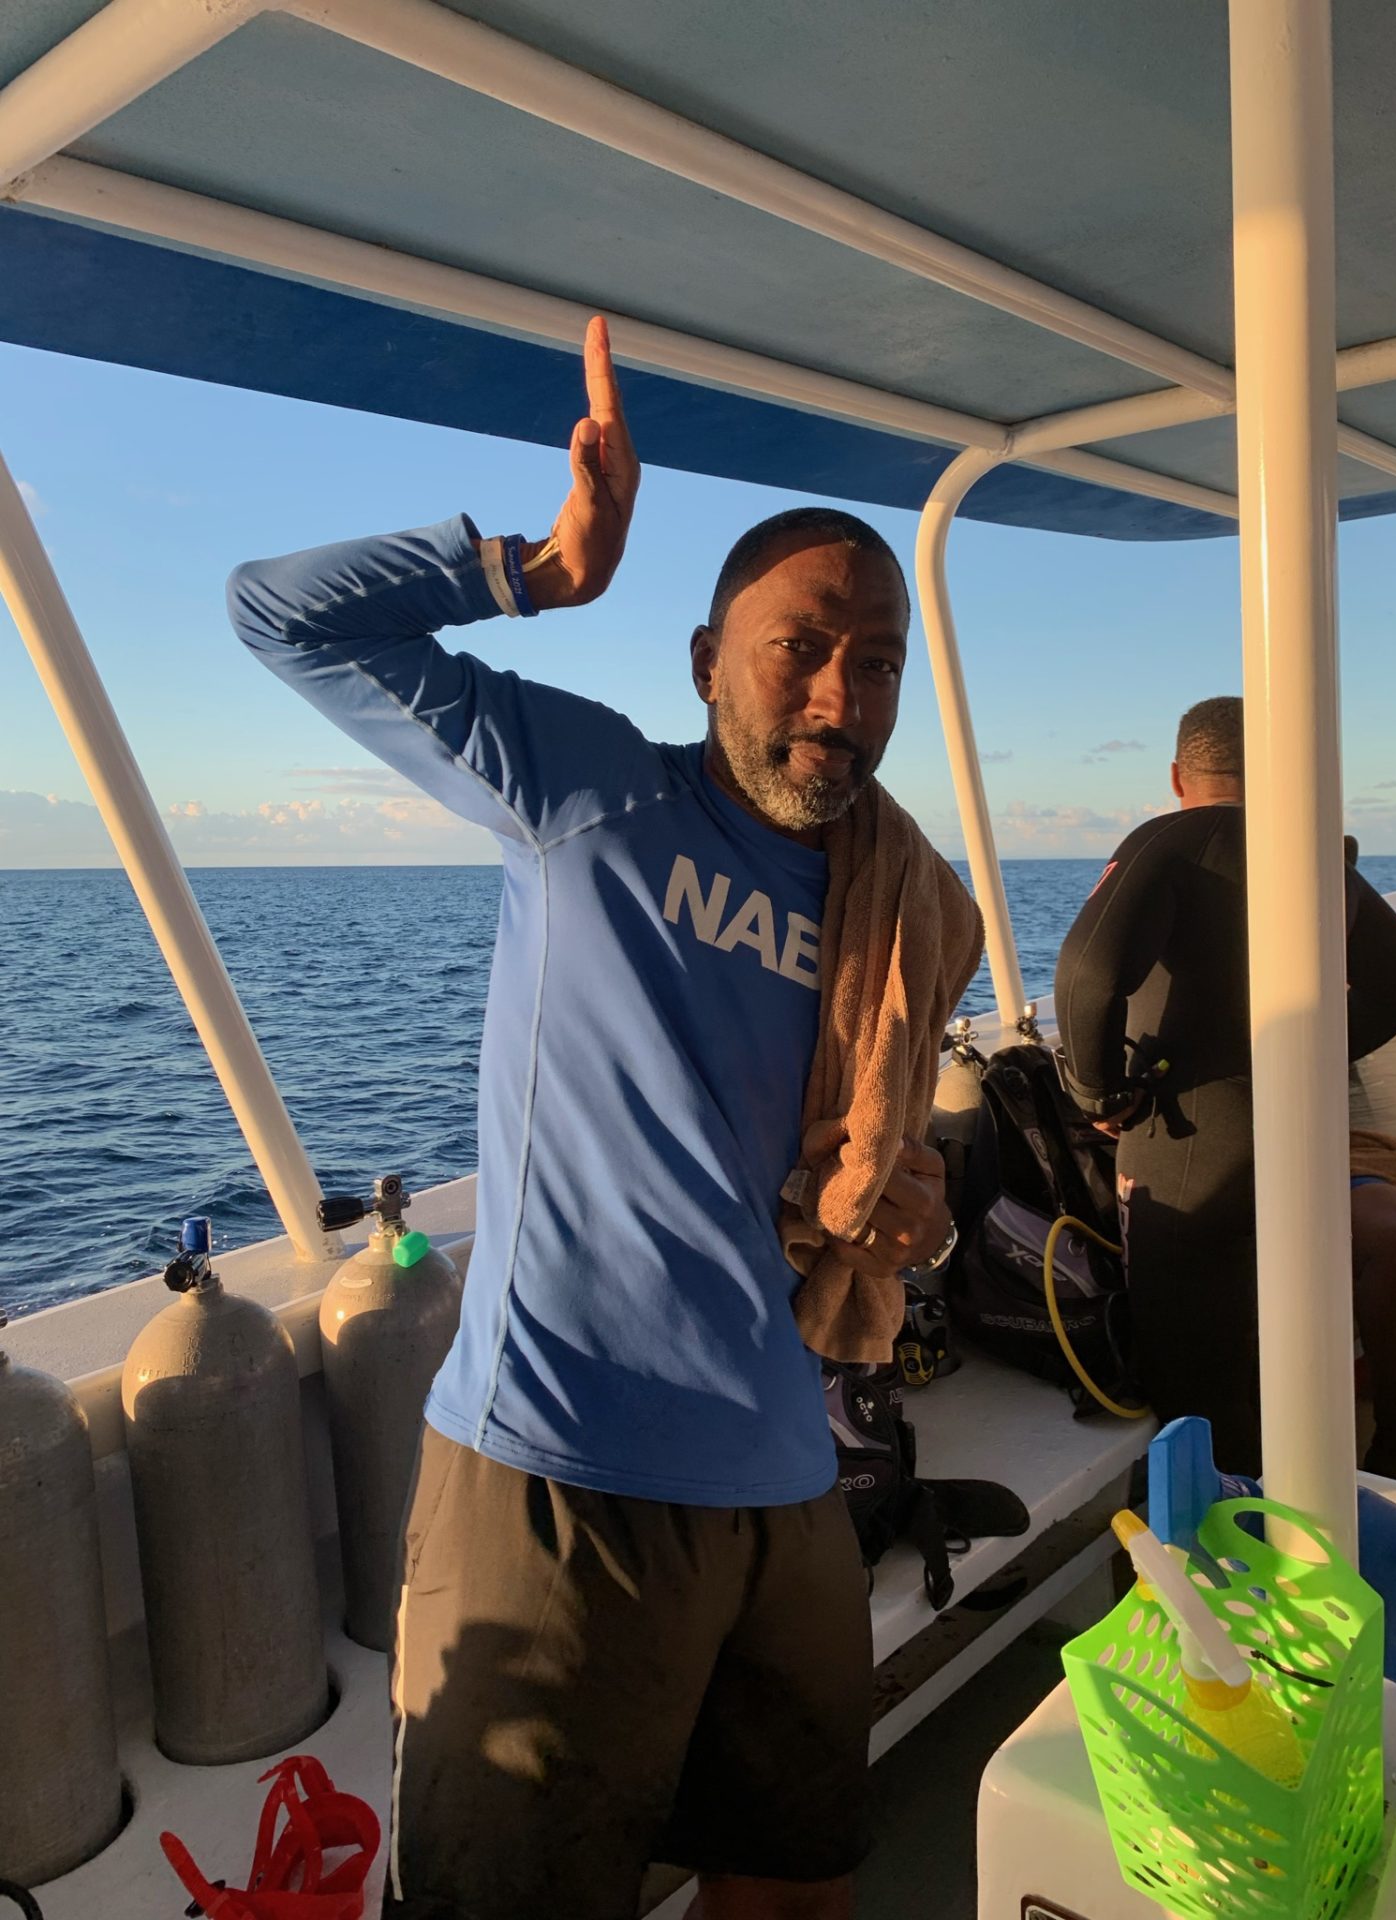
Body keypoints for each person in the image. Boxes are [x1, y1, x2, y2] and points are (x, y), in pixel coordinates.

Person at [228, 318, 967, 1920]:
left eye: (878, 662)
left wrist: (913, 1213)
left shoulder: (898, 904)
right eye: (799, 646)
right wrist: (535, 570)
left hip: (787, 1478)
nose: (841, 695)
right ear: (704, 661)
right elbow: (274, 611)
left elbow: (858, 1173)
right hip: (559, 1480)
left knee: (797, 1892)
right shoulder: (590, 791)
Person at [1054, 696, 1396, 1478]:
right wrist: (1296, 1056)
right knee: (1283, 1342)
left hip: (1184, 1149)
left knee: (1195, 1380)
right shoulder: (1315, 852)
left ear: (1176, 776)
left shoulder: (1171, 840)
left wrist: (1098, 1093)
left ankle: (1224, 1530)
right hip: (1297, 1140)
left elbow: (1087, 973)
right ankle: (1378, 1464)